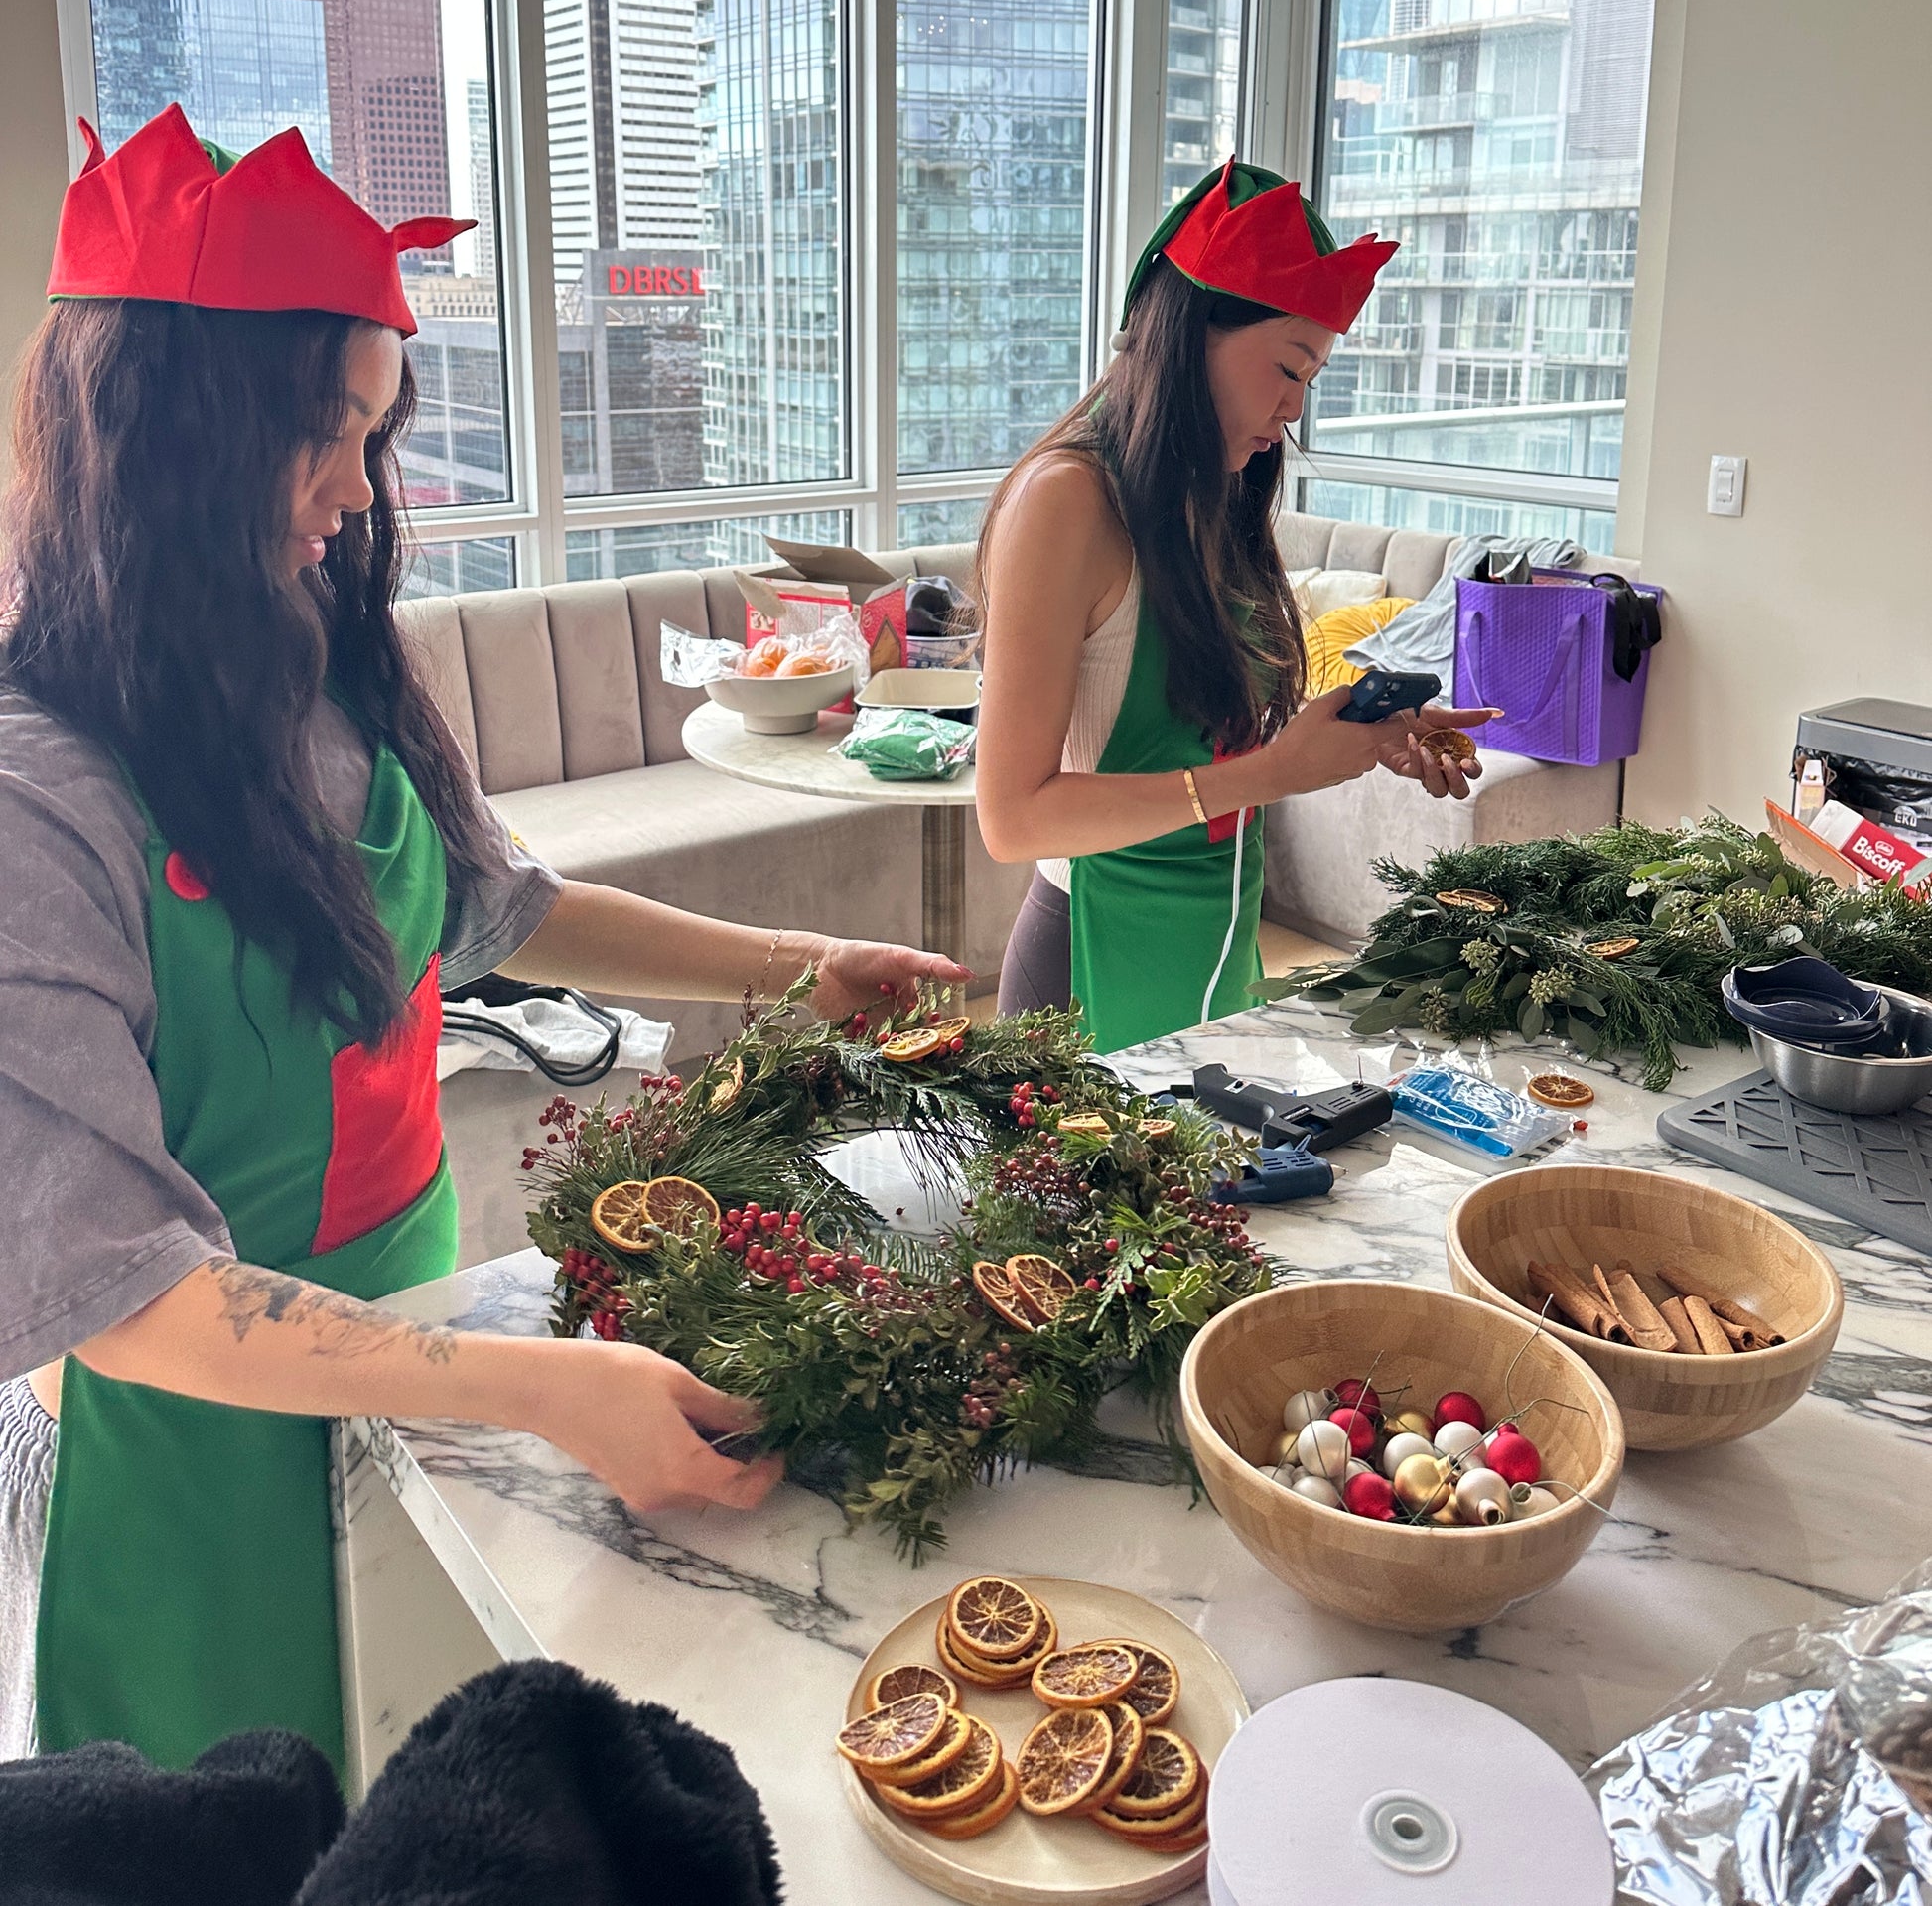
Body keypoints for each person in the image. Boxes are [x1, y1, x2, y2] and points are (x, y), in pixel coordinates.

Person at [0, 106, 966, 1773]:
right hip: (211, 1427)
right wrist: (533, 1388)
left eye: (374, 433)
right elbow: (117, 1288)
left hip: (429, 1308)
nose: (355, 490)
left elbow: (503, 907)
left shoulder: (311, 653)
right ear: (151, 429)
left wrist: (797, 972)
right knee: (257, 1810)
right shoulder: (38, 791)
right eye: (320, 428)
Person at [975, 158, 1495, 1055]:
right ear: (1190, 334)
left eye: (1311, 379)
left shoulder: (1207, 492)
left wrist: (1359, 736)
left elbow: (1199, 732)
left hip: (1209, 944)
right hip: (1089, 966)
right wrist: (1270, 774)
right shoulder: (1063, 502)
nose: (1293, 409)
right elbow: (1013, 817)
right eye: (1289, 368)